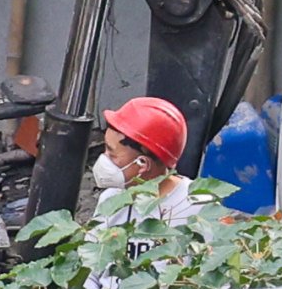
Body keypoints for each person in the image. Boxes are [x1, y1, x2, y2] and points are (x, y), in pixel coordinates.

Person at [85, 93, 198, 222]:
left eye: (112, 154)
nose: (104, 159)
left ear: (143, 164)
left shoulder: (197, 207)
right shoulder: (110, 200)